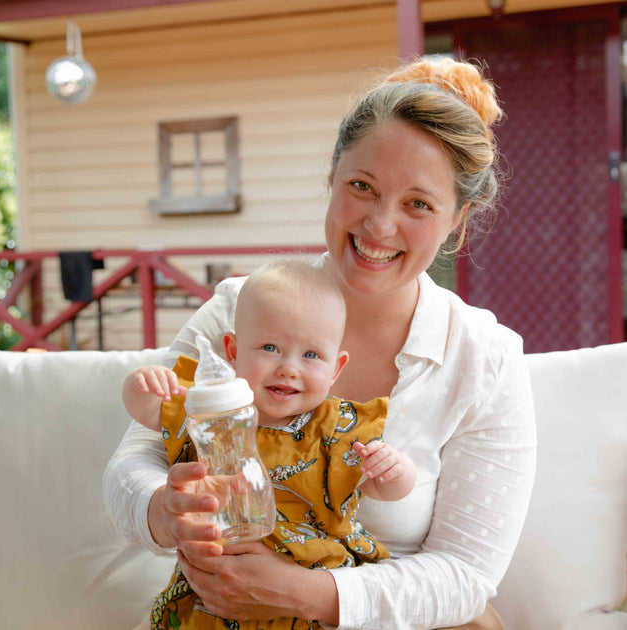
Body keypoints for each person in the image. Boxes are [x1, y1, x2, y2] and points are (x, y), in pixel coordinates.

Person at [104, 56, 537, 630]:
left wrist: (305, 594)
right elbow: (134, 460)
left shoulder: (485, 359)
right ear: (332, 179)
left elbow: (465, 575)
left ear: (457, 221)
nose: (380, 226)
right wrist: (163, 510)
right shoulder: (238, 309)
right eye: (362, 186)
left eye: (418, 204)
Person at [122, 260, 418, 629]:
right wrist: (142, 384)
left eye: (311, 355)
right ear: (232, 350)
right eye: (269, 347)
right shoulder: (212, 408)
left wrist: (394, 470)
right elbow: (149, 412)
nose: (288, 368)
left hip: (313, 587)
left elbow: (384, 489)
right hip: (219, 590)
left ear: (336, 368)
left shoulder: (337, 426)